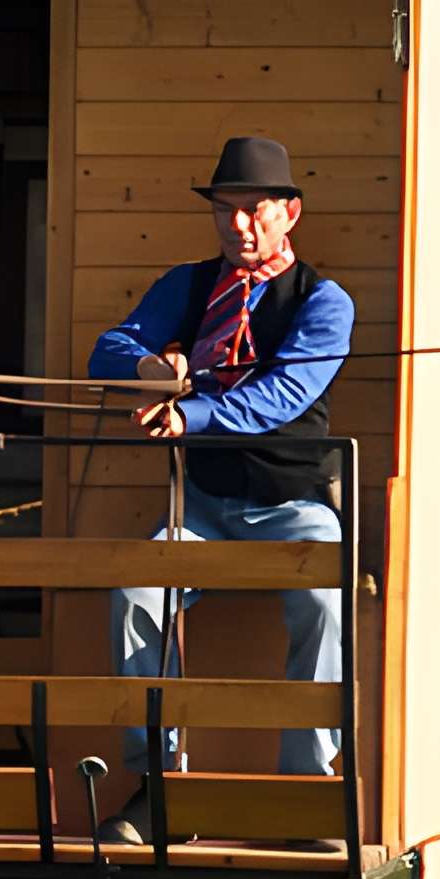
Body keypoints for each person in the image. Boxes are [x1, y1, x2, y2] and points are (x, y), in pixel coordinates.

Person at [86, 134, 355, 841]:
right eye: (225, 211)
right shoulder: (189, 284)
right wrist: (153, 366)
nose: (238, 226)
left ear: (289, 214)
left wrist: (189, 412)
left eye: (255, 211)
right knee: (137, 591)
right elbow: (107, 347)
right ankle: (157, 787)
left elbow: (282, 398)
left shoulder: (325, 303)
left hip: (295, 507)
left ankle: (308, 790)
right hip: (199, 507)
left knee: (326, 602)